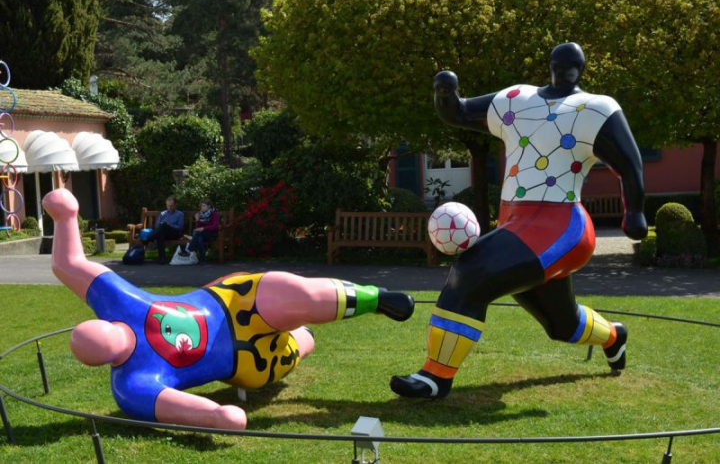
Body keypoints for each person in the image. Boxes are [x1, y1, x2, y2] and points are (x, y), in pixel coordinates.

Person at [391, 43, 648, 399]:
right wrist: (445, 95)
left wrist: (634, 211)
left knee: (471, 271)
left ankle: (435, 376)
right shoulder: (517, 99)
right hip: (519, 224)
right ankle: (614, 335)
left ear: (579, 68)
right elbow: (461, 112)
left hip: (562, 226)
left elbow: (630, 163)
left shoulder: (595, 108)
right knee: (563, 323)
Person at [43, 188, 414, 430]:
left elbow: (69, 265)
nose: (114, 336)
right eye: (106, 343)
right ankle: (306, 336)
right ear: (102, 358)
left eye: (102, 332)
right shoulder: (132, 386)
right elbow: (186, 410)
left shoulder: (120, 303)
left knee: (299, 293)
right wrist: (219, 417)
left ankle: (374, 298)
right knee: (298, 343)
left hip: (232, 299)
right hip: (244, 361)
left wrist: (66, 217)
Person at [144, 196, 184, 264]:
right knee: (161, 233)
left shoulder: (180, 214)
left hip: (175, 234)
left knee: (164, 225)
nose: (169, 208)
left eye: (171, 206)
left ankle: (149, 238)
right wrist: (164, 225)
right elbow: (157, 226)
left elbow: (180, 227)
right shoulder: (163, 214)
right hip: (164, 233)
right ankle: (162, 258)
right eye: (168, 206)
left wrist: (168, 225)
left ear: (175, 205)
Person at [179, 199, 219, 263]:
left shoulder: (214, 214)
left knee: (198, 235)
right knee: (199, 238)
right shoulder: (201, 215)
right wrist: (197, 219)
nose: (202, 208)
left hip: (212, 235)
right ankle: (203, 260)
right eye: (201, 206)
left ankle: (189, 250)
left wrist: (203, 228)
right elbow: (197, 228)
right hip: (202, 234)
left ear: (209, 206)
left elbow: (214, 226)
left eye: (204, 206)